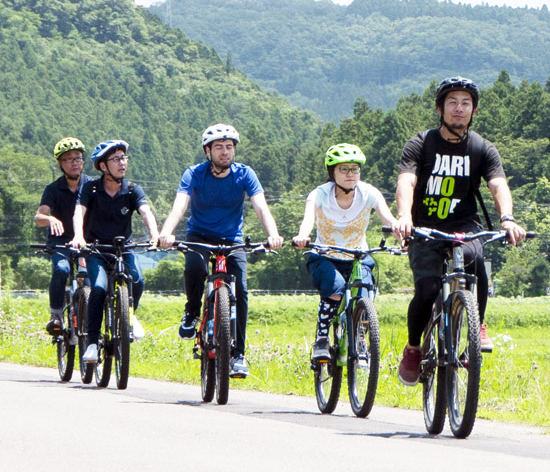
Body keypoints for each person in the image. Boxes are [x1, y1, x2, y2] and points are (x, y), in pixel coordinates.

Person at [395, 76, 526, 386]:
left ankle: (476, 324)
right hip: (425, 227)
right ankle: (414, 348)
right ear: (440, 108)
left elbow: (497, 184)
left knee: (476, 262)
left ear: (474, 111)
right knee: (427, 290)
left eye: (466, 103)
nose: (459, 108)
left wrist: (507, 218)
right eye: (452, 102)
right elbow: (406, 181)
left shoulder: (481, 148)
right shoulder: (421, 143)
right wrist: (403, 216)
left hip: (464, 227)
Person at [158, 123, 283, 378]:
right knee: (195, 267)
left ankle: (239, 355)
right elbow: (179, 206)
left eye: (229, 147)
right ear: (208, 151)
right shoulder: (194, 174)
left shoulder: (245, 174)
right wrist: (166, 232)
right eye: (219, 147)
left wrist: (273, 234)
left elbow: (261, 207)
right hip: (199, 235)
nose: (225, 152)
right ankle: (192, 312)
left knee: (242, 288)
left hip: (232, 238)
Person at [292, 143, 398, 360]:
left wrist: (404, 238)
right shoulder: (319, 194)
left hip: (358, 257)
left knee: (366, 296)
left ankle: (360, 338)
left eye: (355, 169)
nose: (350, 174)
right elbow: (308, 220)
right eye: (344, 169)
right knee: (336, 288)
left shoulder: (369, 193)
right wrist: (303, 236)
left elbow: (389, 220)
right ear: (332, 173)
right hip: (325, 257)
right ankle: (322, 339)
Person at [71, 140, 159, 363]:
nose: (122, 163)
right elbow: (78, 213)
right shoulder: (90, 188)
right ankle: (91, 343)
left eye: (124, 158)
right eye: (116, 159)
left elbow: (146, 212)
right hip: (96, 249)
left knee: (137, 280)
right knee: (99, 288)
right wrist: (79, 237)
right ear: (103, 166)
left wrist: (155, 234)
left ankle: (129, 316)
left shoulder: (132, 189)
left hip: (123, 248)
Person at [35, 137, 92, 335]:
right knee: (61, 269)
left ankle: (93, 318)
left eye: (78, 158)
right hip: (60, 242)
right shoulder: (53, 189)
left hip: (86, 240)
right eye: (68, 159)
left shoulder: (92, 186)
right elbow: (38, 217)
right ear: (60, 163)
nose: (74, 162)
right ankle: (56, 314)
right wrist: (50, 219)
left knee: (92, 277)